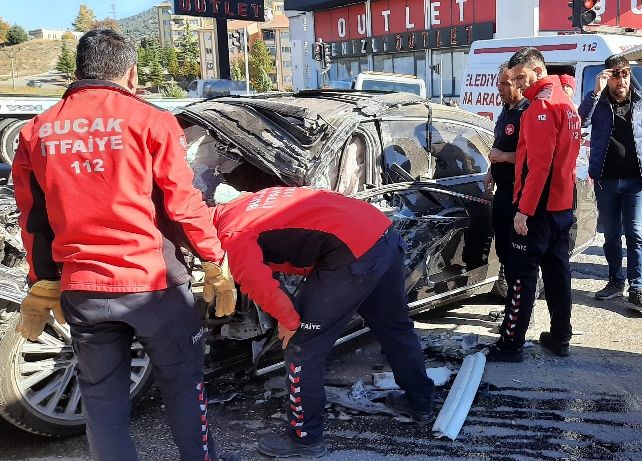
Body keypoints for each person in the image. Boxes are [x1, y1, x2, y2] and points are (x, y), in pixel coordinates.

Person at [11, 29, 237, 461]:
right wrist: (213, 259)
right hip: (154, 287)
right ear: (131, 74)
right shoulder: (151, 120)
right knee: (183, 386)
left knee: (101, 399)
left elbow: (33, 219)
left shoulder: (37, 130)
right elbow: (183, 203)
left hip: (84, 290)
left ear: (76, 71)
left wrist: (42, 284)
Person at [209, 186, 435, 458]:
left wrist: (289, 320)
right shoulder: (241, 204)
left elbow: (261, 286)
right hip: (381, 234)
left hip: (353, 253)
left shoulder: (233, 236)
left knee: (302, 347)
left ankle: (304, 439)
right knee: (394, 327)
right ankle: (420, 402)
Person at [487, 47, 581, 362]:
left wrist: (524, 211)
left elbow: (539, 167)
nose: (519, 85)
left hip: (540, 208)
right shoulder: (566, 102)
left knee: (522, 273)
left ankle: (511, 342)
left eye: (521, 78)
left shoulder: (541, 107)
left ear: (537, 71)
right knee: (557, 272)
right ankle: (560, 336)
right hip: (562, 205)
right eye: (512, 79)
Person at [578, 55, 642, 313]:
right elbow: (580, 122)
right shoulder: (599, 103)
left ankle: (637, 289)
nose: (622, 79)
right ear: (608, 77)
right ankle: (616, 281)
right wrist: (595, 92)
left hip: (636, 182)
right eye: (616, 74)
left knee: (635, 235)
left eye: (625, 73)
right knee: (612, 236)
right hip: (606, 181)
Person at [484, 63, 530, 285]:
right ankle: (511, 303)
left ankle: (522, 312)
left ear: (519, 84)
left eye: (505, 83)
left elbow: (532, 157)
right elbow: (498, 144)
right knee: (502, 247)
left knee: (518, 253)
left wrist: (502, 157)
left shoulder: (527, 111)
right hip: (502, 190)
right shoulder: (506, 110)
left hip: (518, 193)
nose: (499, 88)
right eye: (498, 83)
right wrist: (491, 170)